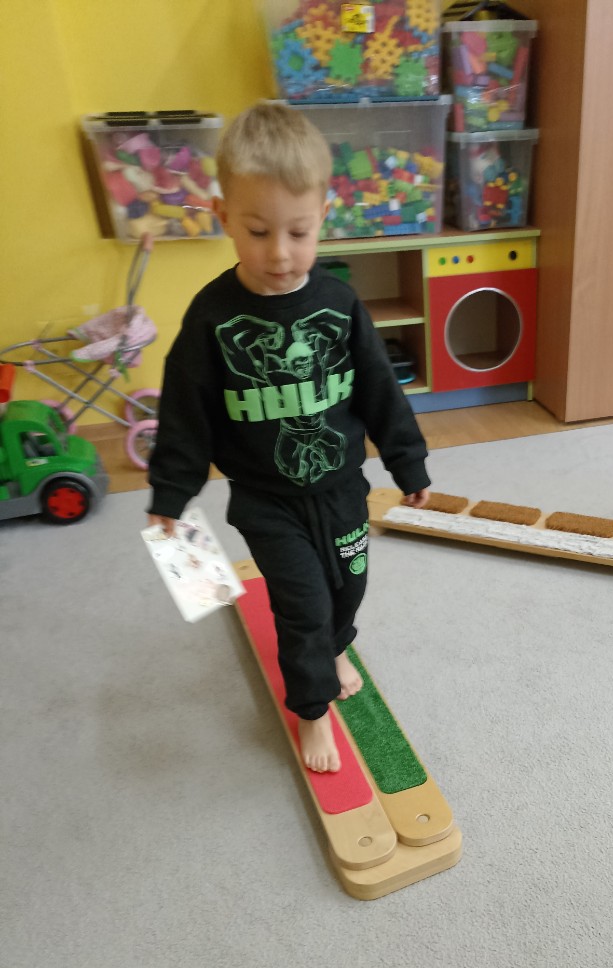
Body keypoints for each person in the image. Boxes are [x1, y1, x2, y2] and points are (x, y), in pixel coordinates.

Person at [146, 102, 430, 773]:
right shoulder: (212, 319)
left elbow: (379, 389)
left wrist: (407, 462)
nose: (279, 253)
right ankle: (312, 709)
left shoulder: (339, 304)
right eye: (258, 231)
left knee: (348, 588)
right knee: (302, 605)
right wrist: (170, 492)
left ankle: (336, 647)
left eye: (298, 232)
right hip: (265, 498)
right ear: (224, 217)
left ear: (323, 216)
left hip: (342, 486)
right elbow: (185, 412)